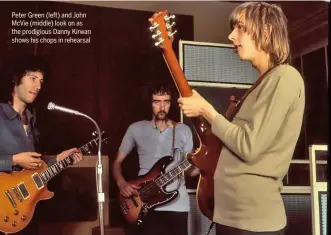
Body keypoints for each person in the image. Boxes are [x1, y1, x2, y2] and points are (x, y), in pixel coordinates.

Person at [178, 2, 305, 235]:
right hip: (235, 219)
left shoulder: (285, 77)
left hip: (252, 224)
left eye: (240, 28)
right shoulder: (264, 82)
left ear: (265, 31)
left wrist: (207, 110)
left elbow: (249, 146)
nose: (231, 36)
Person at [0, 55, 84, 235]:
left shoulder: (32, 122)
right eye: (32, 78)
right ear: (16, 79)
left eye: (41, 80)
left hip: (24, 214)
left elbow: (35, 165)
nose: (38, 86)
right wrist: (13, 160)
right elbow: (19, 161)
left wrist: (59, 158)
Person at [112, 83, 199, 235]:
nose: (162, 107)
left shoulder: (184, 130)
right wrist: (121, 183)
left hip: (177, 206)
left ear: (171, 103)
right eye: (156, 102)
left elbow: (190, 172)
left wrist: (200, 166)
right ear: (150, 103)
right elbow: (117, 163)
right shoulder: (136, 128)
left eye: (166, 102)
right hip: (142, 203)